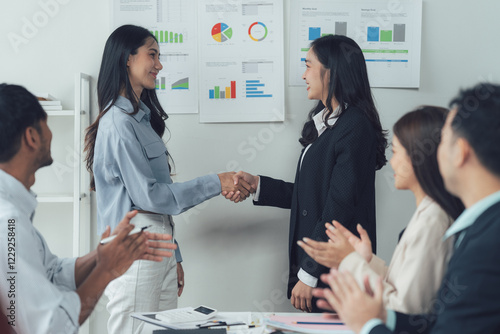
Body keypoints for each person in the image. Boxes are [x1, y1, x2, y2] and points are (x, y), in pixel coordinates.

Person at [83, 24, 251, 334]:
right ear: (126, 59)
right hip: (134, 248)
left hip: (156, 247)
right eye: (152, 55)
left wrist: (174, 254)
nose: (159, 65)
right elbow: (150, 197)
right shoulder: (117, 124)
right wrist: (217, 181)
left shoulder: (141, 119)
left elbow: (157, 204)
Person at [315, 83, 500, 334]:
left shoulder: (484, 241)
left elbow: (414, 309)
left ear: (461, 152)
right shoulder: (479, 228)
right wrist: (378, 313)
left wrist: (368, 324)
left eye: (443, 140)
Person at [224, 35, 387, 312]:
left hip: (335, 271)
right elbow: (315, 195)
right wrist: (258, 185)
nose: (303, 74)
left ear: (332, 70)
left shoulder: (354, 126)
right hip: (324, 267)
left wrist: (310, 271)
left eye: (309, 65)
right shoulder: (328, 122)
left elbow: (339, 206)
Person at [0, 83, 177, 334]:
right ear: (31, 136)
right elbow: (51, 327)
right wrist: (107, 270)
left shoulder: (12, 211)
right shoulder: (8, 222)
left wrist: (102, 254)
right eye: (45, 123)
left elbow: (51, 273)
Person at [298, 106, 464, 314]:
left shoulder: (433, 222)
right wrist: (367, 261)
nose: (391, 162)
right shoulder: (428, 215)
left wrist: (350, 261)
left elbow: (403, 310)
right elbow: (402, 285)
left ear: (420, 157)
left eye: (395, 152)